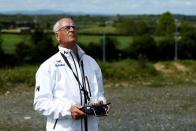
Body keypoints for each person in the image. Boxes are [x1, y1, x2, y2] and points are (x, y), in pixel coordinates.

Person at [33, 18, 108, 131]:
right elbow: (40, 103)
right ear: (57, 36)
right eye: (67, 28)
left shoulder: (91, 62)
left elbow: (100, 94)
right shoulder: (48, 66)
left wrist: (101, 104)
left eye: (74, 27)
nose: (72, 30)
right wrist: (68, 110)